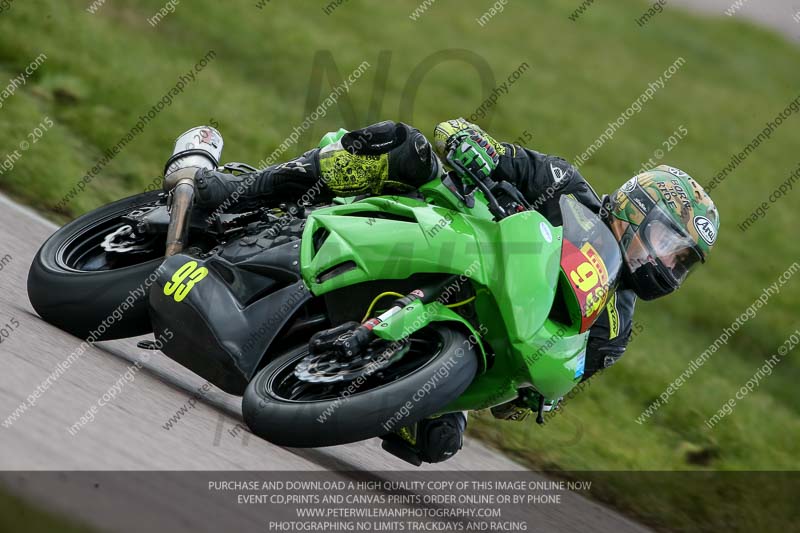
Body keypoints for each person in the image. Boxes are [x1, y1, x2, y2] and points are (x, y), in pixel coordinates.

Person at [192, 118, 720, 464]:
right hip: (448, 230)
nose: (667, 265)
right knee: (405, 148)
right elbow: (500, 153)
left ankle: (357, 374)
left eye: (681, 262)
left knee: (437, 441)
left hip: (483, 332)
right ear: (635, 209)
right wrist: (474, 143)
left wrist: (536, 395)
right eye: (667, 243)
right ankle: (232, 194)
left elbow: (558, 375)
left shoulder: (617, 323)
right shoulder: (567, 187)